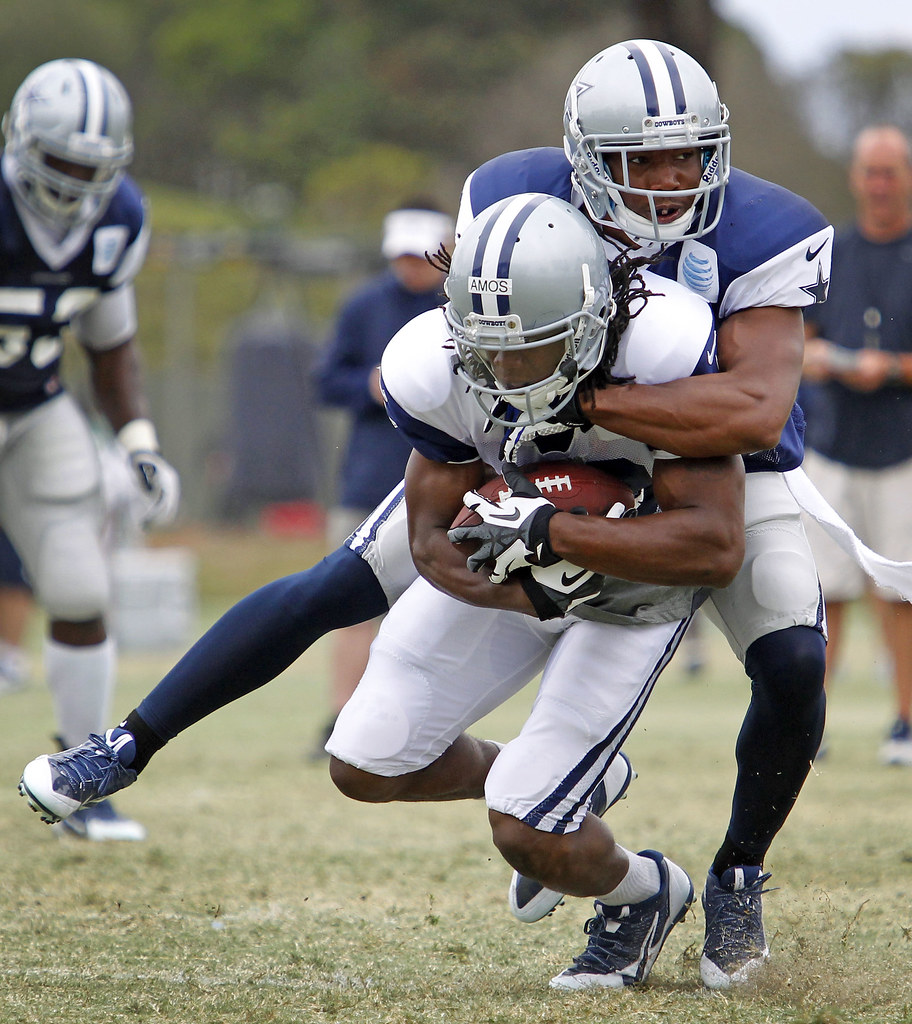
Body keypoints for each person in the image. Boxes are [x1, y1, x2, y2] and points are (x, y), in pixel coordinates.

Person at [15, 39, 843, 987]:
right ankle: (129, 742)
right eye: (640, 160)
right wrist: (527, 553)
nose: (670, 181)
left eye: (688, 154)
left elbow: (751, 414)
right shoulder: (490, 260)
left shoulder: (696, 305)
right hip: (526, 447)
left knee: (791, 655)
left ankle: (735, 872)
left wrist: (576, 432)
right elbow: (433, 515)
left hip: (707, 454)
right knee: (343, 593)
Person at [1, 59, 179, 840]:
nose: (75, 186)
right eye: (62, 163)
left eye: (92, 170)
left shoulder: (119, 220)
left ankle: (80, 781)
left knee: (78, 589)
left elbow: (111, 345)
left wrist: (139, 443)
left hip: (36, 408)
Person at [312, 202, 453, 754]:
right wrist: (370, 387)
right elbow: (327, 380)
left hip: (445, 475)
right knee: (351, 603)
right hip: (369, 475)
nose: (409, 268)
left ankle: (426, 723)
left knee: (440, 607)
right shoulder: (364, 305)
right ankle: (340, 717)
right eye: (401, 257)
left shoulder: (461, 304)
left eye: (418, 257)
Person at [801, 125, 912, 767]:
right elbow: (797, 336)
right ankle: (810, 726)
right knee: (822, 592)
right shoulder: (832, 249)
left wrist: (891, 369)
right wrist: (819, 358)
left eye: (889, 171)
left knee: (899, 594)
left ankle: (904, 723)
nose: (878, 184)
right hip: (832, 443)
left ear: (904, 177)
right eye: (869, 171)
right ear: (855, 177)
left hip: (901, 447)